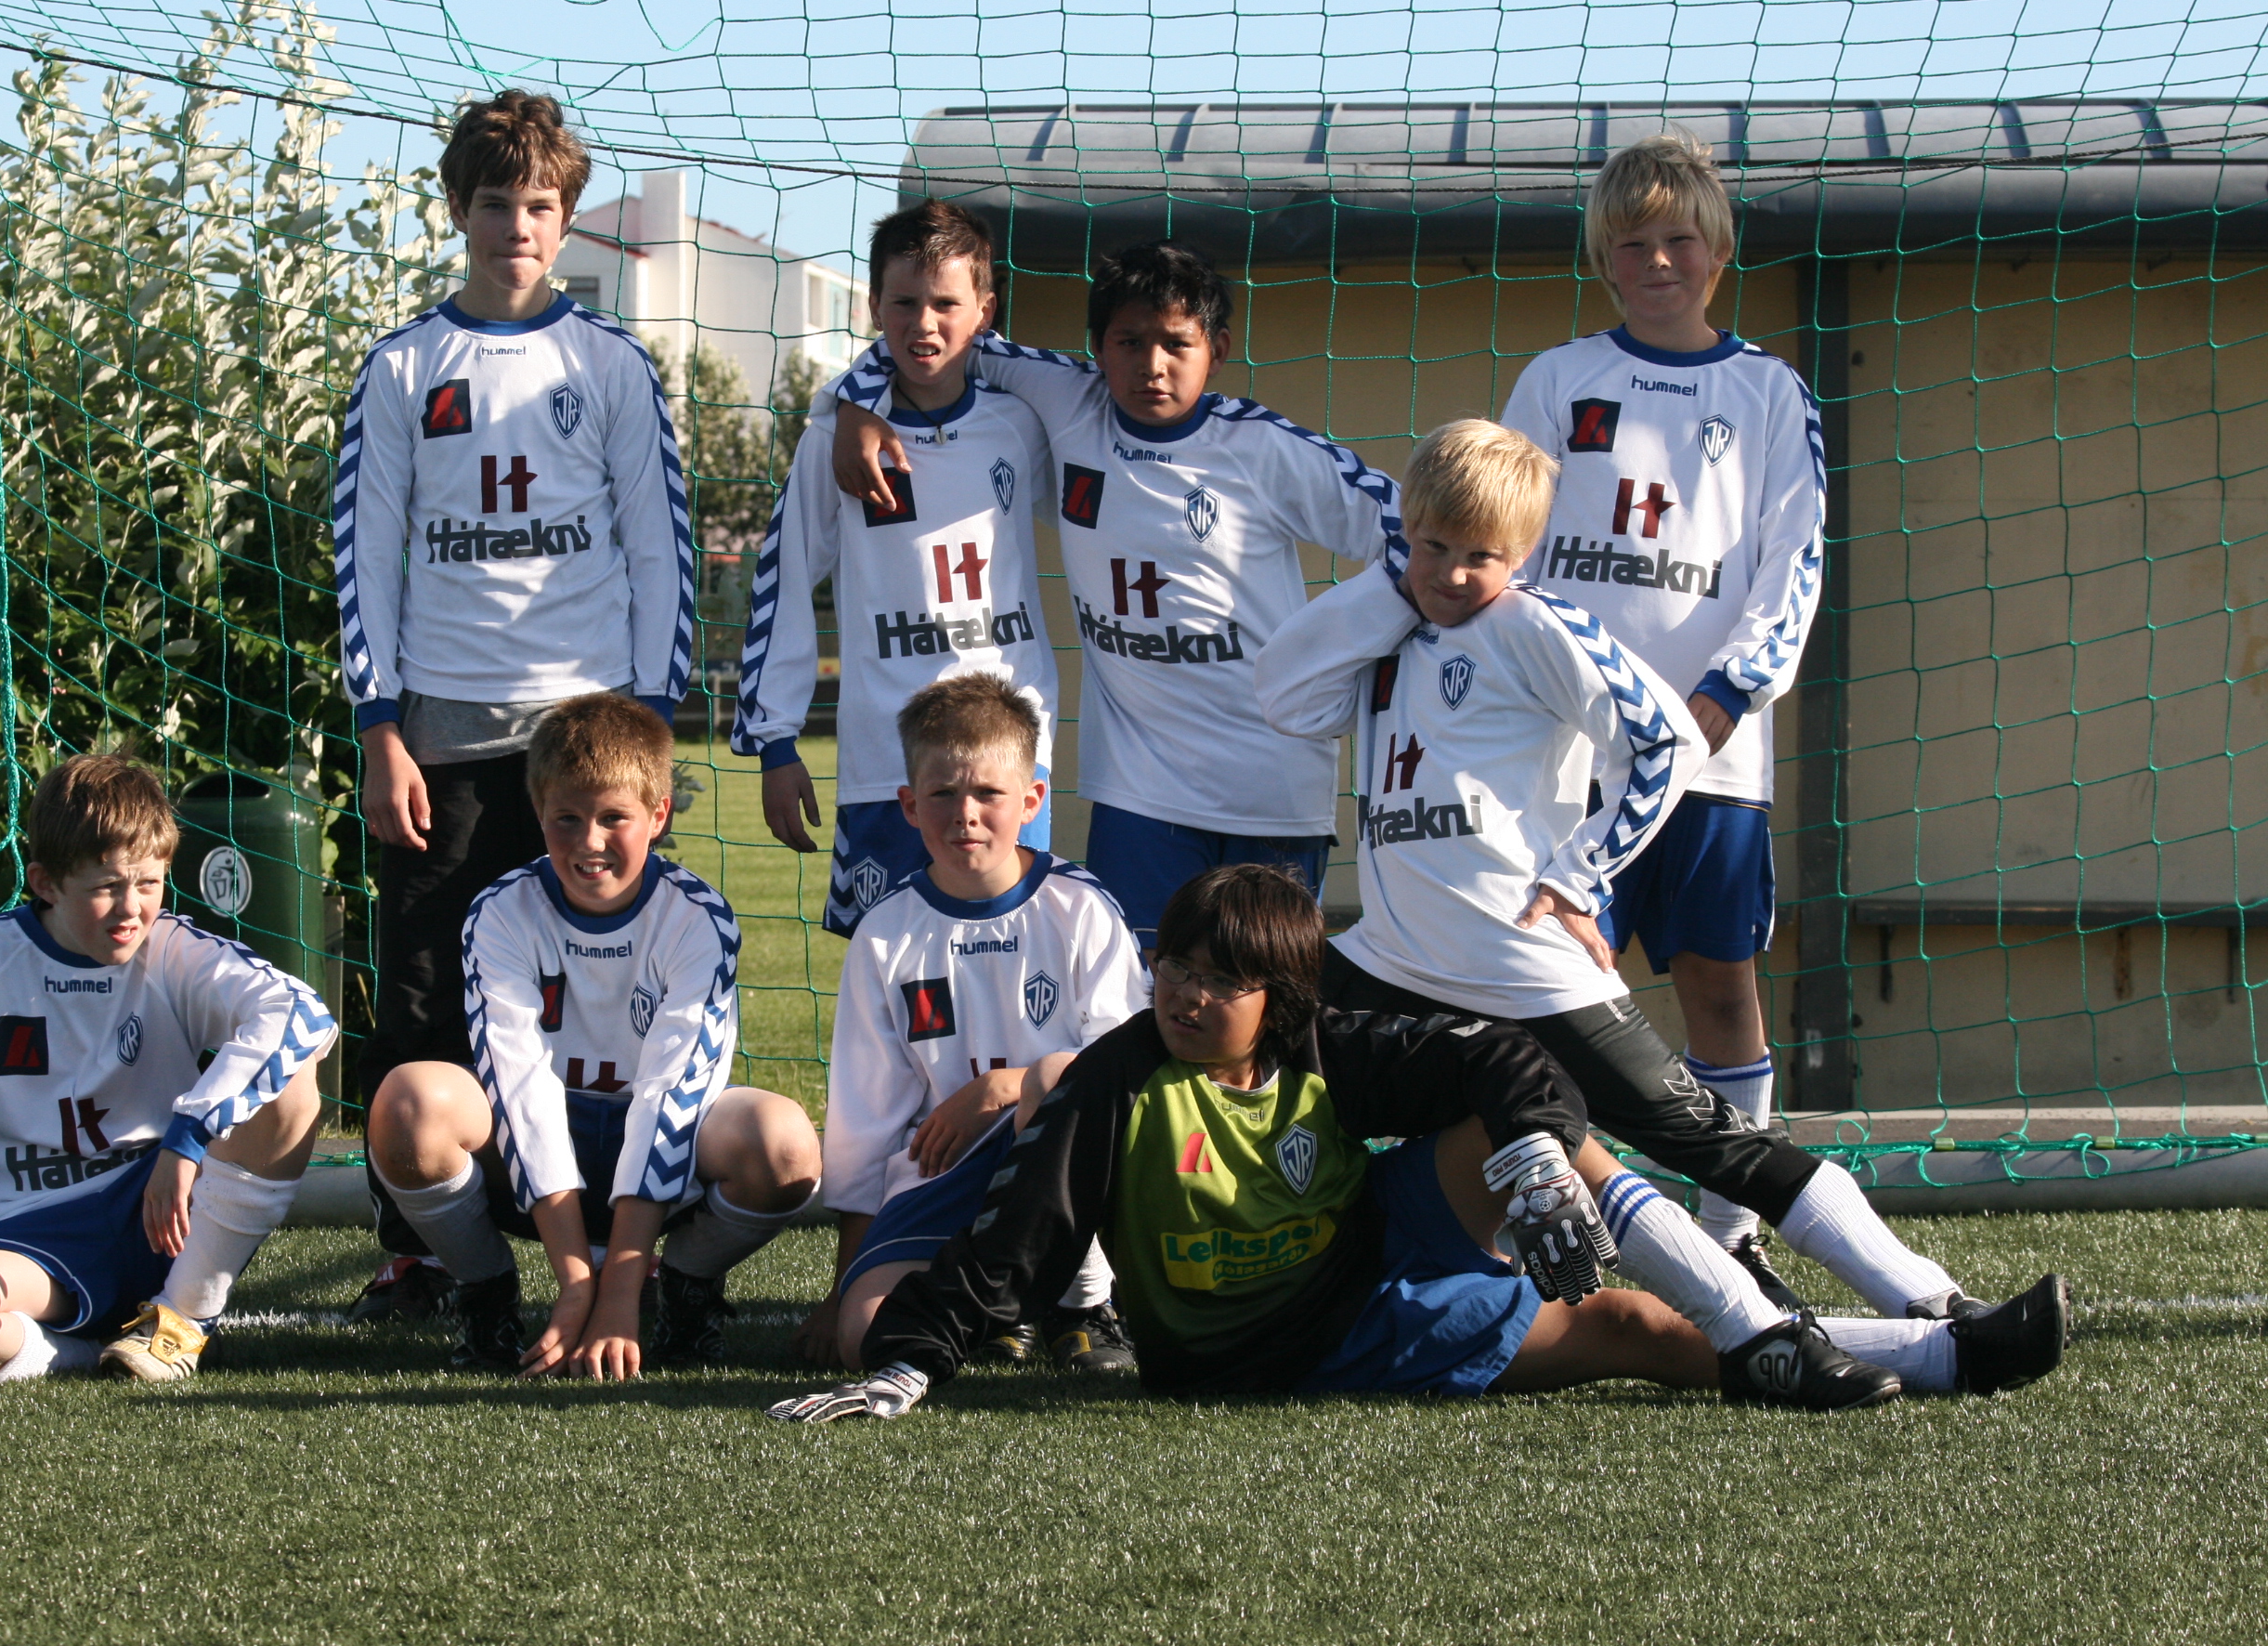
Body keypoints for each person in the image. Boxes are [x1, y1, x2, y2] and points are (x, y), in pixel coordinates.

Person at [1256, 418, 2071, 1338]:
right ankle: (1248, 1283)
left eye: (1479, 556)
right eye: (1433, 546)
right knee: (1249, 1061)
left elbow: (1668, 741)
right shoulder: (1386, 624)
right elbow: (1283, 694)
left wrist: (1580, 873)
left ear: (1522, 553)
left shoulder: (1535, 625)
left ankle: (1934, 1302)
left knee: (1714, 1144)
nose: (1449, 574)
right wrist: (1384, 588)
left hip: (1522, 966)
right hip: (1393, 958)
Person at [768, 866, 2067, 1422]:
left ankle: (1857, 1339)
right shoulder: (1119, 1079)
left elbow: (1503, 1059)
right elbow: (1020, 1236)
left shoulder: (1326, 1045)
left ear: (1281, 1000)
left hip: (1363, 1239)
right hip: (1277, 1345)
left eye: (1217, 981)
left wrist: (1537, 1152)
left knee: (1529, 1125)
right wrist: (914, 1361)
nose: (1183, 996)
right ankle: (1892, 1352)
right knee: (1637, 1328)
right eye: (1173, 969)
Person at [332, 90, 695, 1324]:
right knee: (424, 993)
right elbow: (366, 556)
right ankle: (426, 1250)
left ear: (567, 217)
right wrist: (380, 728)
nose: (518, 229)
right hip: (442, 738)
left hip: (583, 741)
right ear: (458, 209)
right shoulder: (402, 366)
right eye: (496, 205)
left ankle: (631, 1239)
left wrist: (650, 725)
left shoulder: (609, 364)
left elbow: (659, 549)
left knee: (606, 993)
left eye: (540, 206)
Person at [826, 241, 1400, 947]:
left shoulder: (1265, 450)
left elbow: (1415, 531)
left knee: (1261, 996)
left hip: (1271, 792)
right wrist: (851, 403)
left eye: (1176, 343)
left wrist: (1341, 639)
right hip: (1138, 796)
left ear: (1217, 350)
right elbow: (945, 337)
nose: (1151, 364)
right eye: (1129, 342)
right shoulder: (1070, 402)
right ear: (1097, 347)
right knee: (1137, 994)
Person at [1499, 128, 1825, 1282]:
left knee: (1716, 987)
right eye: (1632, 243)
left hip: (1709, 755)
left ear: (1716, 253)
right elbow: (1504, 542)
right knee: (1551, 987)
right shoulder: (1555, 381)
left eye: (1678, 240)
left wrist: (1723, 696)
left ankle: (1733, 1235)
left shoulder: (1768, 390)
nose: (1656, 261)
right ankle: (1555, 1233)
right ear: (1602, 257)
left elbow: (1792, 559)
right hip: (1568, 756)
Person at [0, 754, 337, 1383]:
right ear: (46, 883)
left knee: (292, 1080)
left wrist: (187, 1136)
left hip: (162, 1217)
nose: (132, 909)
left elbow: (301, 1013)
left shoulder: (174, 951)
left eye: (148, 883)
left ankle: (181, 1321)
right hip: (32, 1241)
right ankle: (77, 1352)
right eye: (106, 888)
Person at [363, 694, 822, 1377]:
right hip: (535, 1157)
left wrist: (620, 1292)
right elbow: (519, 1088)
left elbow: (671, 1097)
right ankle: (487, 1294)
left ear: (659, 815)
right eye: (567, 819)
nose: (590, 842)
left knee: (783, 1144)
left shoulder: (699, 919)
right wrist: (579, 1284)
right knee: (409, 1104)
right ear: (537, 809)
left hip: (664, 1154)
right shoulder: (501, 911)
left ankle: (685, 1286)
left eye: (614, 818)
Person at [733, 201, 1061, 936]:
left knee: (1012, 952)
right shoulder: (832, 443)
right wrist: (775, 741)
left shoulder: (1021, 424)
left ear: (985, 311)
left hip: (1011, 757)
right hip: (889, 761)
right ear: (873, 306)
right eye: (905, 303)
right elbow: (785, 580)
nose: (924, 324)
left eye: (946, 303)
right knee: (892, 967)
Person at [805, 673, 1147, 1372]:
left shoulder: (1080, 909)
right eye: (942, 794)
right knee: (865, 1340)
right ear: (909, 805)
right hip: (942, 1174)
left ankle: (1081, 1304)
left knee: (1054, 1079)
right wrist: (843, 1288)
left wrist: (1003, 1087)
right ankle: (997, 1309)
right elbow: (867, 1123)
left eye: (989, 793)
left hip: (1063, 1173)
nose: (965, 814)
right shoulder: (885, 934)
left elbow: (1125, 1064)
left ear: (1032, 800)